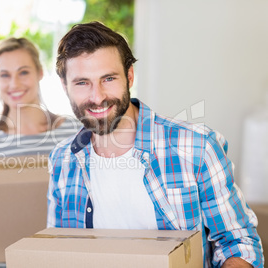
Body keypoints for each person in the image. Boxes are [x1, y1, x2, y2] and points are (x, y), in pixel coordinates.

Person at [47, 21, 264, 268]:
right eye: (82, 82)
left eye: (108, 78)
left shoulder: (197, 147)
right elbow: (58, 251)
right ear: (65, 86)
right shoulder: (62, 160)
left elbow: (238, 244)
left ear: (129, 76)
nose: (97, 97)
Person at [0, 37, 80, 268]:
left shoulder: (73, 132)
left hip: (64, 260)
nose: (14, 83)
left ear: (40, 73)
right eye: (5, 74)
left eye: (23, 72)